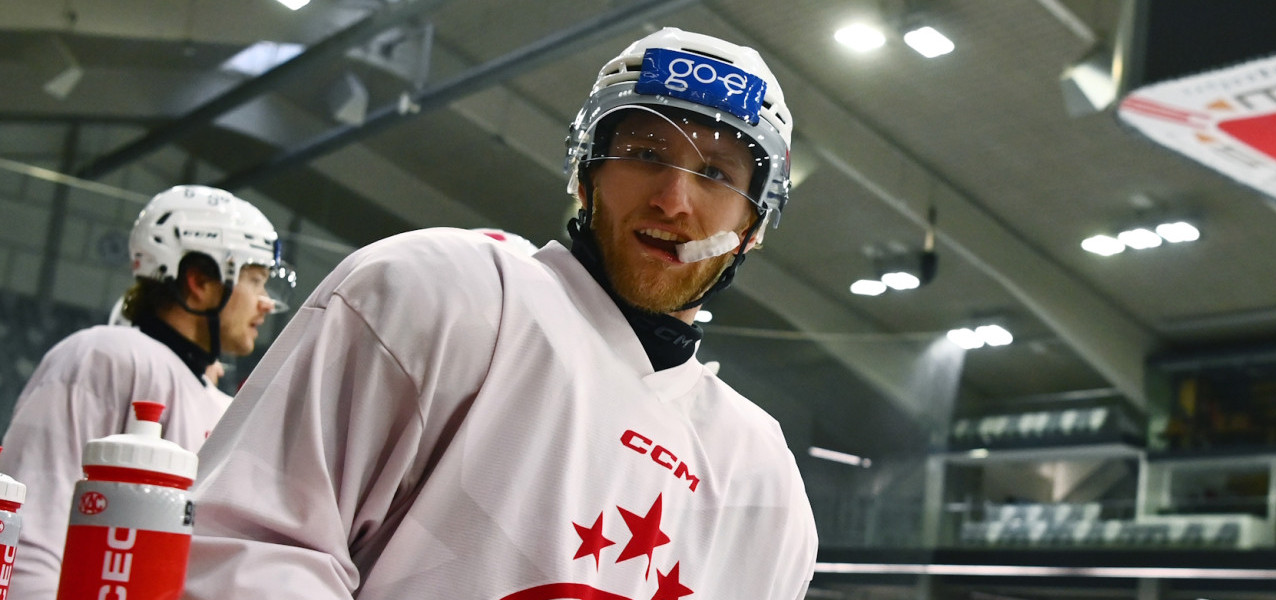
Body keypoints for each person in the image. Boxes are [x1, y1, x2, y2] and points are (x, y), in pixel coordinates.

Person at [184, 28, 815, 599]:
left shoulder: (763, 483)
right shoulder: (441, 292)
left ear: (755, 224)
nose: (673, 201)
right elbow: (247, 548)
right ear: (585, 169)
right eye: (647, 155)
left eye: (715, 175)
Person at [0, 184, 285, 597]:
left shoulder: (218, 400)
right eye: (256, 280)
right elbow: (31, 535)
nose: (266, 303)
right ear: (200, 280)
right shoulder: (108, 355)